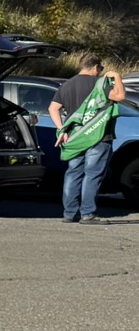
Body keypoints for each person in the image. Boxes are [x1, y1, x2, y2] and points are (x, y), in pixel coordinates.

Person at [48, 53, 126, 223]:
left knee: (73, 174)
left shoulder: (66, 85)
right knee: (92, 174)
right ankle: (88, 213)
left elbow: (53, 108)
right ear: (97, 67)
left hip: (75, 138)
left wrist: (62, 129)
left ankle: (69, 213)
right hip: (99, 137)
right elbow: (120, 96)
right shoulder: (100, 84)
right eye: (101, 69)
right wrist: (117, 76)